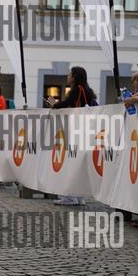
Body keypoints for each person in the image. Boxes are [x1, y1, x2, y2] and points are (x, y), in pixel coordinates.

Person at [47, 67, 97, 206]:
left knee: (71, 162)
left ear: (75, 77)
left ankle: (71, 196)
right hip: (84, 129)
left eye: (70, 74)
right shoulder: (87, 90)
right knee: (78, 163)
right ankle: (79, 196)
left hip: (76, 128)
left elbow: (67, 104)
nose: (67, 76)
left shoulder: (77, 90)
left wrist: (54, 104)